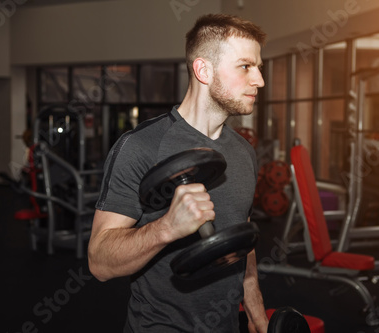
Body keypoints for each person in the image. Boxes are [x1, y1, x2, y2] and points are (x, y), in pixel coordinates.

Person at [88, 13, 268, 332]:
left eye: (258, 68)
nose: (259, 80)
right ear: (203, 70)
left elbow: (243, 229)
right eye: (245, 67)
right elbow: (99, 262)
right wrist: (167, 227)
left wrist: (253, 300)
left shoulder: (244, 152)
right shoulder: (141, 146)